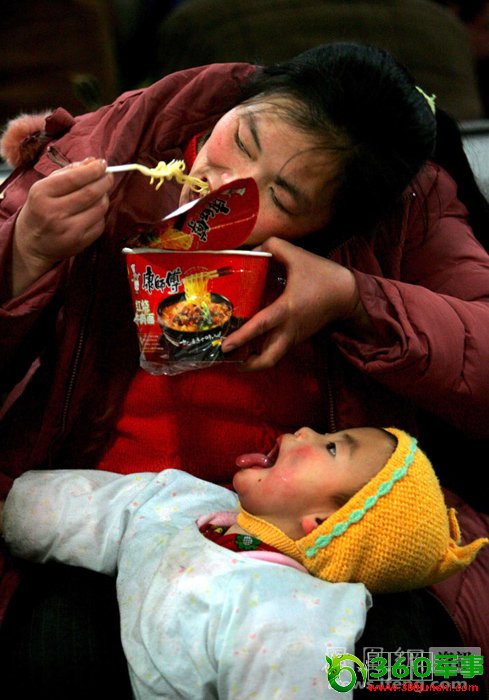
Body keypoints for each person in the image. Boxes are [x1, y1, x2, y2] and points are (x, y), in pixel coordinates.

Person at [1, 42, 489, 694]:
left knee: (420, 672)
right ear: (241, 98)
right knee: (57, 655)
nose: (232, 185)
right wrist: (24, 255)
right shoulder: (116, 146)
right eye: (244, 137)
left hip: (318, 534)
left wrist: (355, 299)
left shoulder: (409, 207)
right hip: (111, 513)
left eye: (281, 192)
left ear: (338, 219)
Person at [0, 426, 485, 699]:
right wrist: (10, 508)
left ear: (323, 522)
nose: (307, 431)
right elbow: (117, 506)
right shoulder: (193, 502)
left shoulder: (288, 620)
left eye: (331, 446)